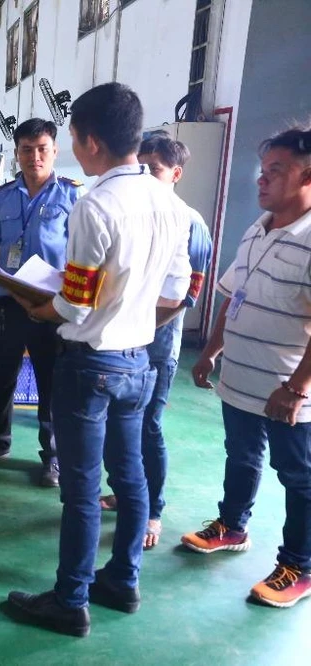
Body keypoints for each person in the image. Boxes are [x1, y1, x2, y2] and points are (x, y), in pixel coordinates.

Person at [5, 83, 192, 637]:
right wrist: (130, 314)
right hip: (138, 362)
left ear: (89, 141)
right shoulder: (169, 202)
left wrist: (40, 307)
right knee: (130, 478)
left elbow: (74, 303)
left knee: (83, 489)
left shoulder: (95, 205)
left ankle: (70, 600)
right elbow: (176, 290)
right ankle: (123, 581)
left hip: (90, 365)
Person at [183, 125, 311, 608]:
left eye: (276, 171)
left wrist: (296, 389)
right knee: (241, 455)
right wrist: (211, 351)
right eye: (263, 169)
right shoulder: (258, 229)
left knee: (299, 476)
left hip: (286, 391)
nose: (262, 179)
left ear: (308, 176)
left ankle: (299, 566)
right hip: (240, 379)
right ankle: (233, 526)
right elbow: (233, 296)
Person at [98, 132, 213, 549]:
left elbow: (186, 298)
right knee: (117, 425)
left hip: (157, 350)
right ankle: (126, 492)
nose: (146, 175)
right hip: (121, 344)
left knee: (148, 428)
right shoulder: (133, 214)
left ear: (176, 174)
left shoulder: (190, 222)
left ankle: (152, 510)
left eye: (156, 169)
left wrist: (144, 327)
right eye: (141, 166)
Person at [0, 118, 82, 487]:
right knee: (2, 376)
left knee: (52, 382)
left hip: (53, 305)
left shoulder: (71, 196)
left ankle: (53, 458)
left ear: (55, 151)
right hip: (9, 301)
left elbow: (80, 253)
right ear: (17, 153)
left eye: (42, 149)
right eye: (26, 150)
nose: (34, 157)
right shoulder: (3, 196)